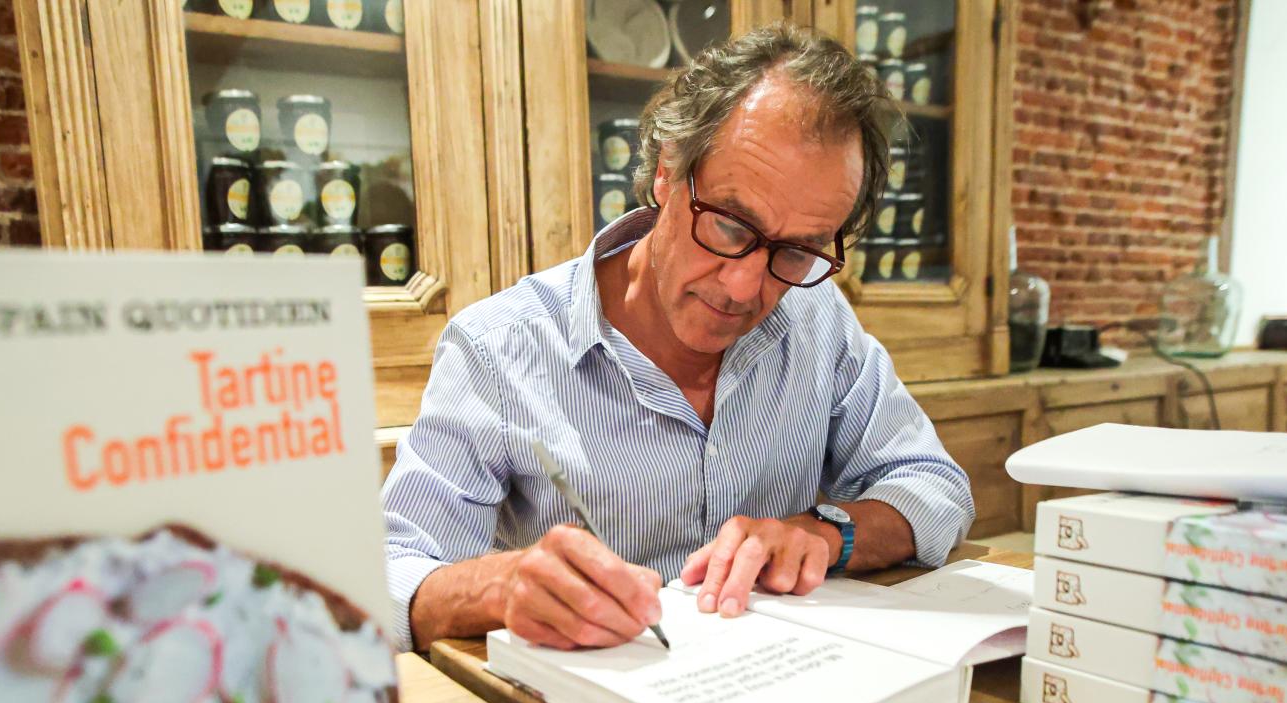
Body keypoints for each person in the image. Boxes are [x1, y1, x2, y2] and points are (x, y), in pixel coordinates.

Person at [381, 23, 973, 652]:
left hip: (776, 689)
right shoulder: (498, 348)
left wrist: (828, 533)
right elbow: (391, 573)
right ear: (667, 173)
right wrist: (501, 587)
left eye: (797, 251)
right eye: (728, 224)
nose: (745, 287)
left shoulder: (816, 318)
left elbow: (935, 487)